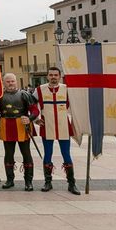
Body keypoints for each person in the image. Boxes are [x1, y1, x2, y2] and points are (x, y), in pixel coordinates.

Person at [34, 67, 80, 195]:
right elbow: (31, 105)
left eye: (55, 75)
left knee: (66, 154)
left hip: (63, 126)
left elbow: (76, 105)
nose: (53, 77)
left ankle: (72, 183)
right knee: (47, 154)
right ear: (47, 76)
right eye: (51, 75)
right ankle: (47, 182)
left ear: (59, 76)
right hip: (47, 126)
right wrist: (36, 119)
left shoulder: (67, 89)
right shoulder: (39, 90)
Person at [0, 73, 38, 191]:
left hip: (22, 127)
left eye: (12, 81)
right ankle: (10, 180)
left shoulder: (24, 94)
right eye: (8, 81)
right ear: (4, 83)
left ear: (16, 82)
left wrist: (29, 118)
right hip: (6, 126)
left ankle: (28, 182)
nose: (11, 84)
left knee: (26, 154)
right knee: (8, 154)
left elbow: (35, 110)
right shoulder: (0, 96)